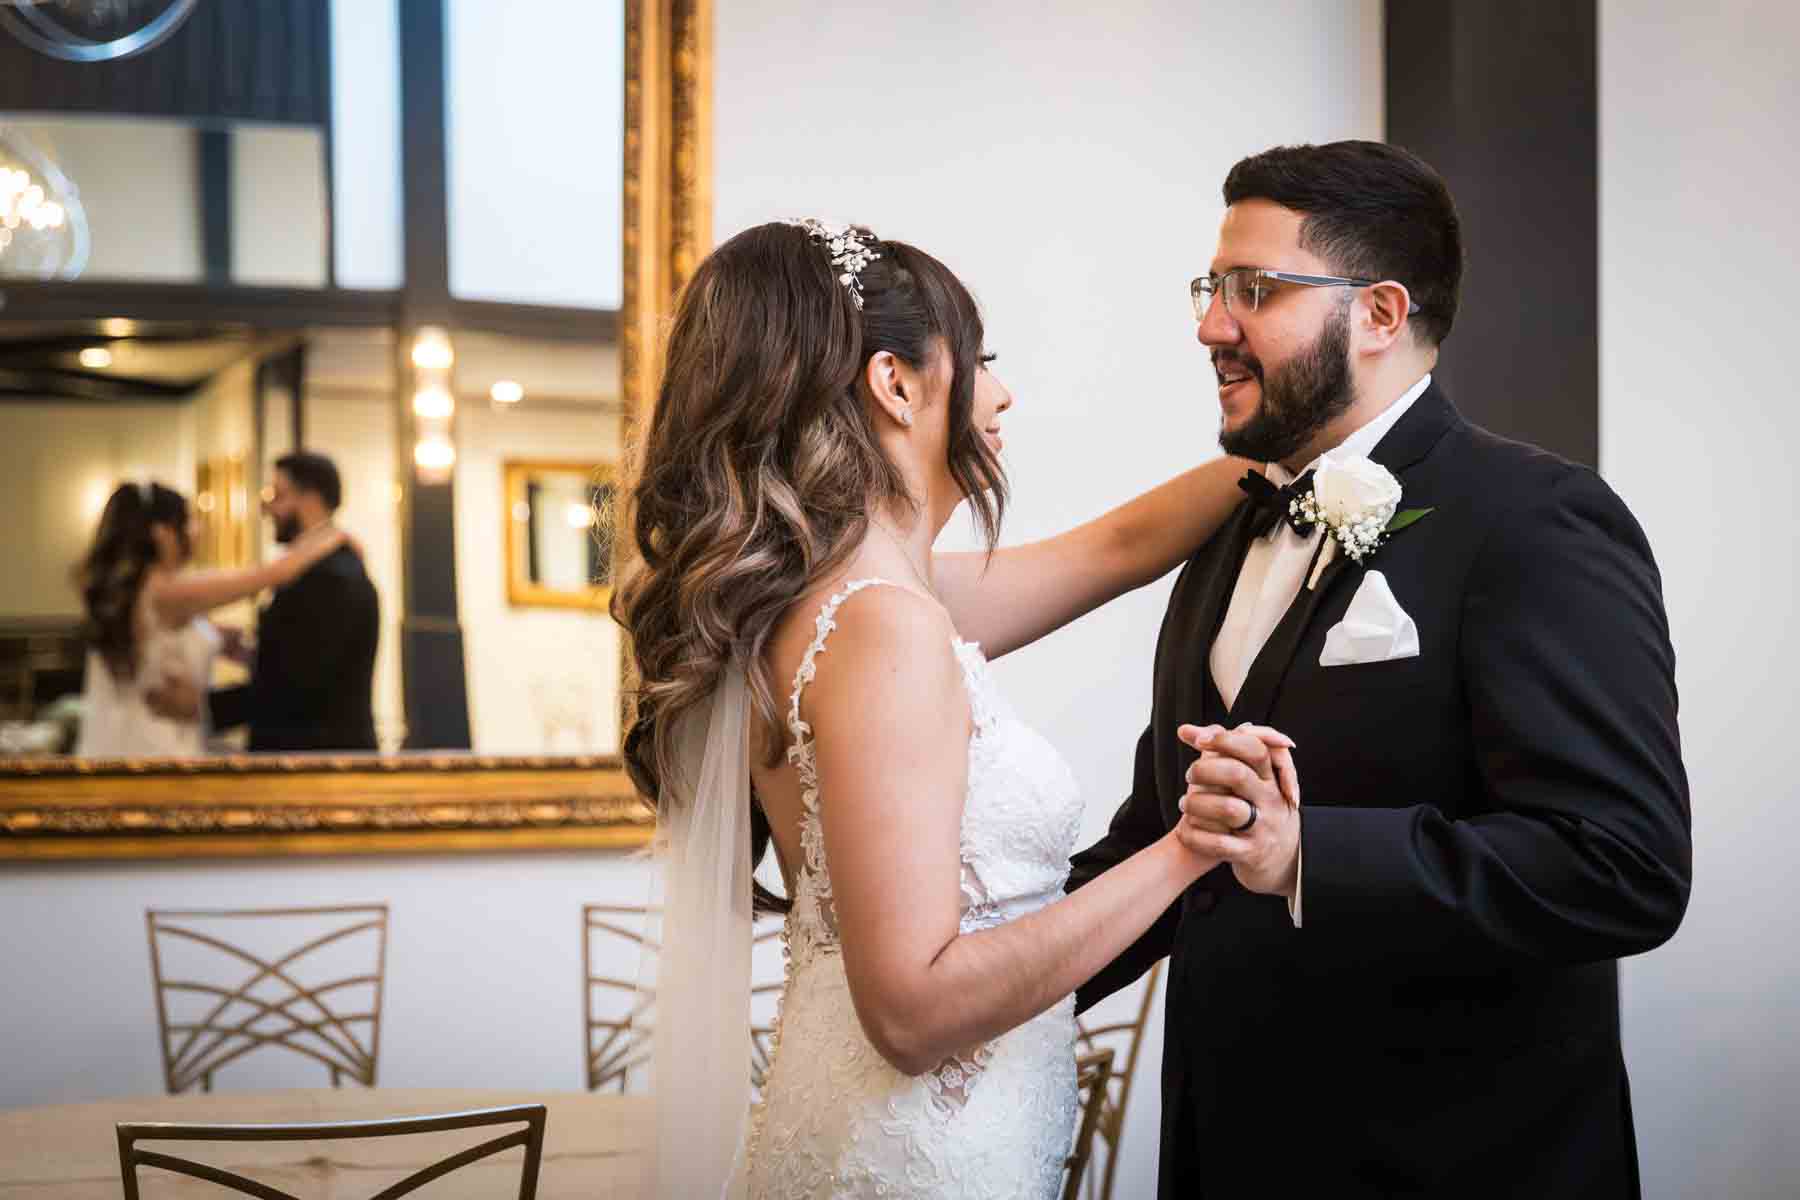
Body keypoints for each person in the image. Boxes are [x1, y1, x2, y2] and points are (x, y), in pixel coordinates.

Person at [613, 219, 1286, 1198]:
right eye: (983, 361)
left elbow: (1113, 549)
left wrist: (1298, 450)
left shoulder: (826, 600)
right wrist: (1186, 850)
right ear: (896, 383)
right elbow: (913, 1013)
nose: (1004, 393)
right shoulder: (885, 628)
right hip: (918, 1165)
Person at [1071, 141, 1691, 1197]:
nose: (1211, 324)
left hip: (1451, 1168)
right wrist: (969, 990)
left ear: (1380, 314)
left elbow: (1622, 866)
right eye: (1212, 288)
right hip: (1229, 1155)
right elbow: (1165, 841)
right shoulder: (1227, 528)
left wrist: (1310, 854)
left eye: (1252, 290)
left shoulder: (1537, 522)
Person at [72, 480, 350, 757]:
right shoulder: (164, 593)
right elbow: (271, 574)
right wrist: (331, 537)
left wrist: (231, 645)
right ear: (162, 534)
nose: (198, 530)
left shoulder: (153, 592)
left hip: (173, 737)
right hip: (150, 745)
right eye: (190, 521)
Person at [147, 451, 379, 753]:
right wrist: (252, 653)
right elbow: (296, 660)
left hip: (317, 759)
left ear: (309, 499)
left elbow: (301, 686)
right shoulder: (312, 568)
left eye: (277, 495)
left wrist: (205, 707)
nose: (265, 506)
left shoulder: (331, 575)